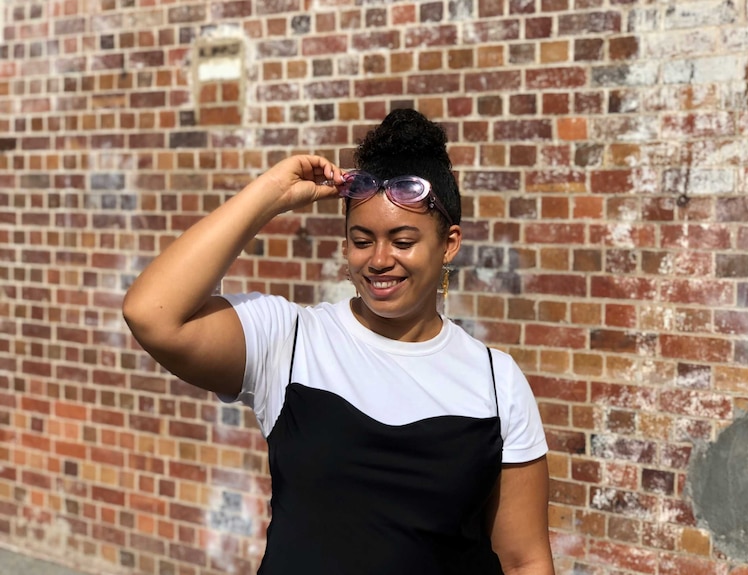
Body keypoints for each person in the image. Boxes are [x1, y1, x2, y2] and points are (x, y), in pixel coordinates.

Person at [123, 108, 554, 574]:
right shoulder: (290, 341)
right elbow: (153, 314)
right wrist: (270, 194)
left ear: (449, 244)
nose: (380, 260)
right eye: (361, 240)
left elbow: (524, 559)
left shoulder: (495, 381)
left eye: (403, 241)